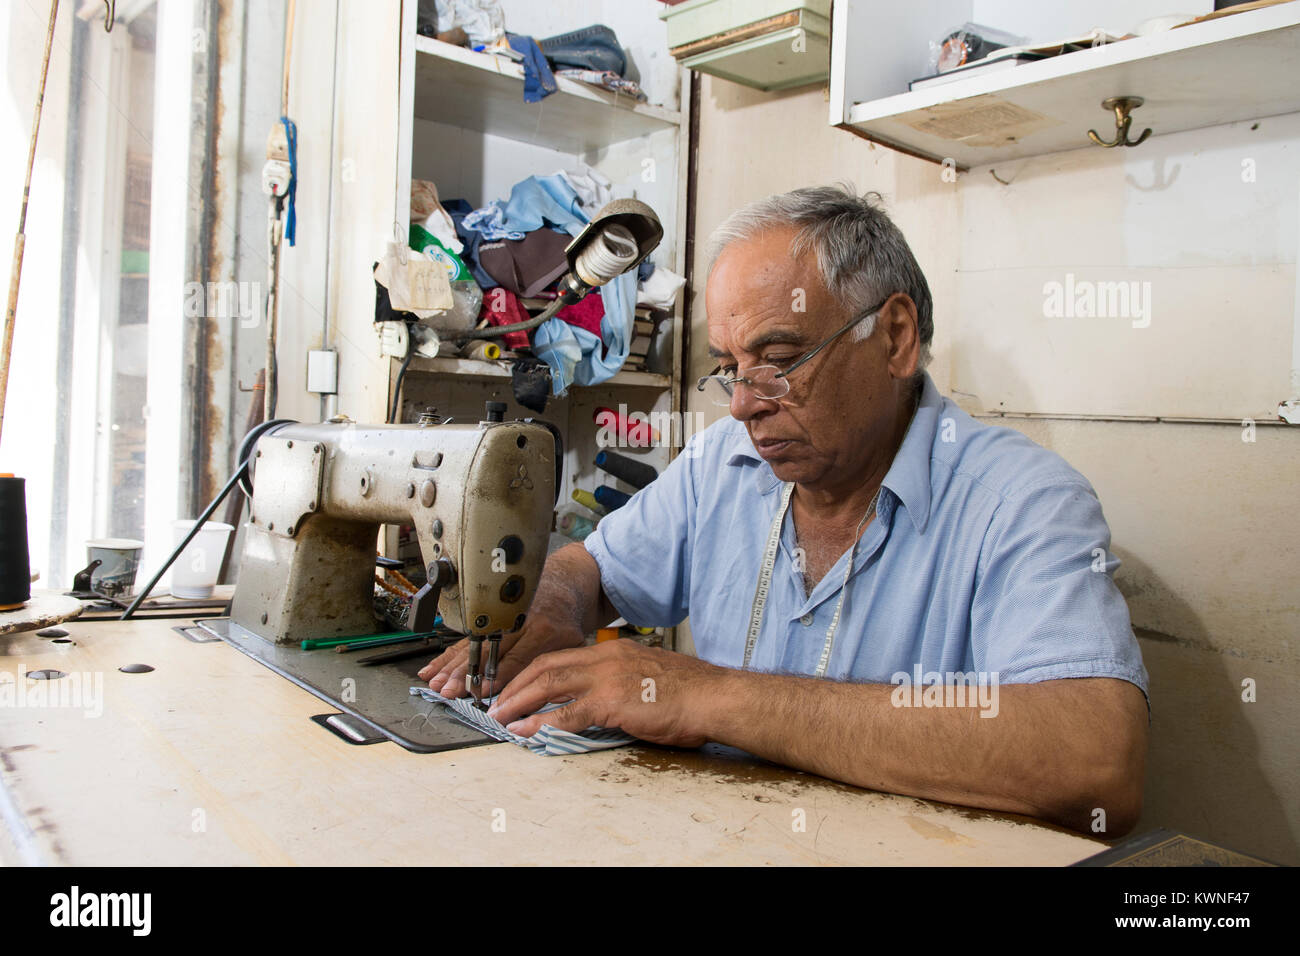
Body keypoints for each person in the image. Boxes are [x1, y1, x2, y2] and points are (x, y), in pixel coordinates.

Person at [419, 184, 1149, 835]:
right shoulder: (723, 470)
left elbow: (1094, 760)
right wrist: (552, 606)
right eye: (730, 369)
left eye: (779, 357)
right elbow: (590, 568)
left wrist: (711, 699)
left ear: (894, 337)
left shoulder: (1021, 503)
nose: (742, 404)